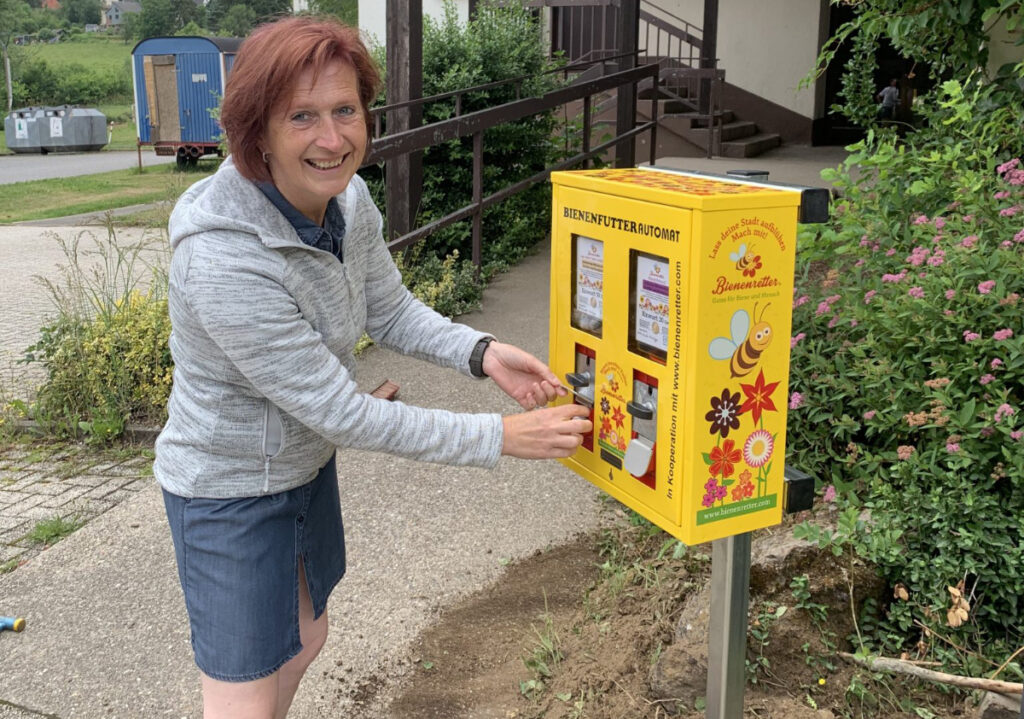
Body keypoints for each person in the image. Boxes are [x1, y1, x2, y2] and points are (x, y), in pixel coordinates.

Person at [154, 16, 592, 719]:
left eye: (345, 111)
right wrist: (502, 438)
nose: (332, 139)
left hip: (301, 466)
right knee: (242, 695)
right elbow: (343, 412)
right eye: (301, 116)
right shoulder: (222, 257)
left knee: (306, 636)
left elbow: (387, 310)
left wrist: (481, 353)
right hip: (228, 487)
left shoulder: (345, 197)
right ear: (255, 132)